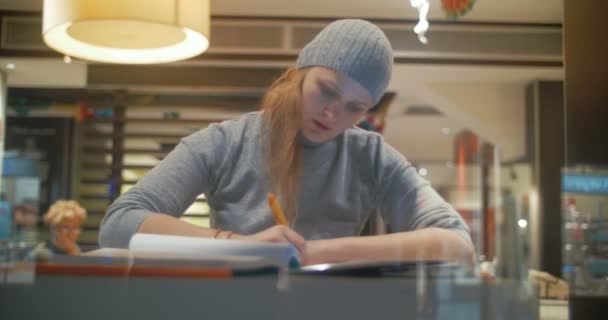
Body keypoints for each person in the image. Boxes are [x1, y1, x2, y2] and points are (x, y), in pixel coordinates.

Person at [99, 19, 474, 265]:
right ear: (299, 73)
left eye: (354, 108)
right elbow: (119, 222)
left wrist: (315, 253)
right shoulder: (224, 142)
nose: (333, 114)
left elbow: (458, 245)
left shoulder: (372, 157)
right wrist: (236, 243)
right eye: (326, 91)